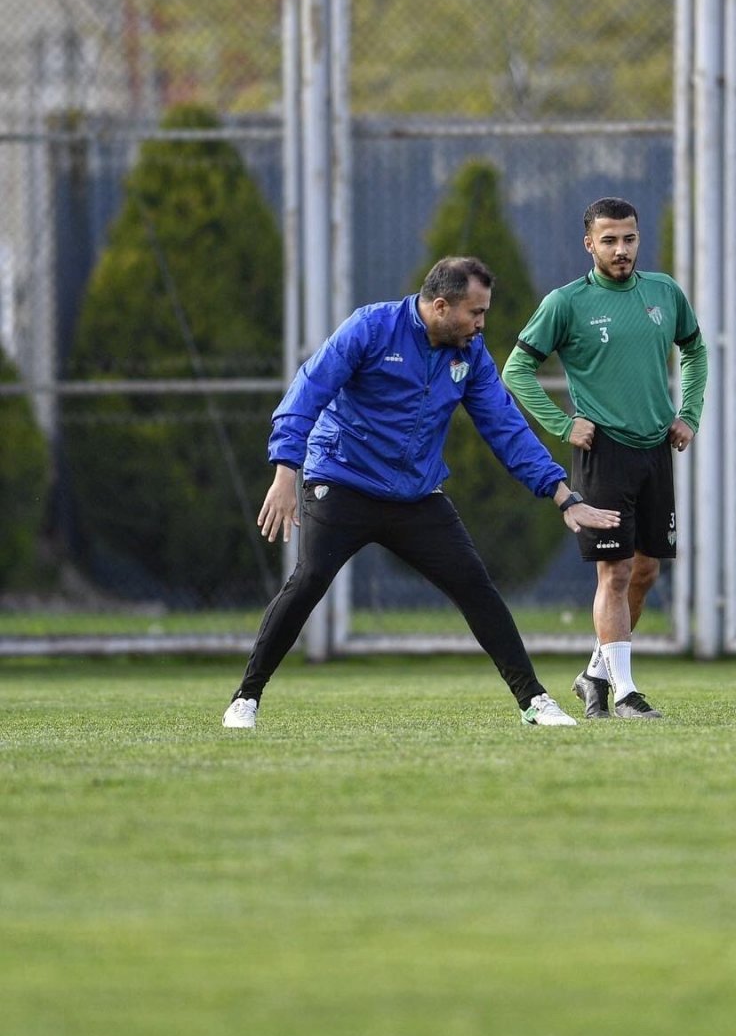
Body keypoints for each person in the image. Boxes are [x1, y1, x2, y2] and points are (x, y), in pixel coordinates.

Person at [221, 256, 620, 731]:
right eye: (475, 312)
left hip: (415, 494)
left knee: (476, 587)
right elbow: (308, 390)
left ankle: (534, 701)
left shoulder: (470, 354)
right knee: (308, 582)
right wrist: (286, 472)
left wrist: (563, 496)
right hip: (342, 480)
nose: (482, 323)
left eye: (485, 313)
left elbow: (505, 427)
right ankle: (246, 698)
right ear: (440, 306)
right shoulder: (371, 328)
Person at [501, 197, 708, 719]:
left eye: (630, 238)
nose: (622, 250)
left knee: (646, 573)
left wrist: (690, 413)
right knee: (613, 573)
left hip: (655, 449)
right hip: (603, 454)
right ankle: (626, 694)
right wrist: (564, 424)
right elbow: (515, 370)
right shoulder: (565, 303)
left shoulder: (664, 293)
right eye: (610, 240)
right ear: (589, 243)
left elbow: (697, 350)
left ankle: (595, 675)